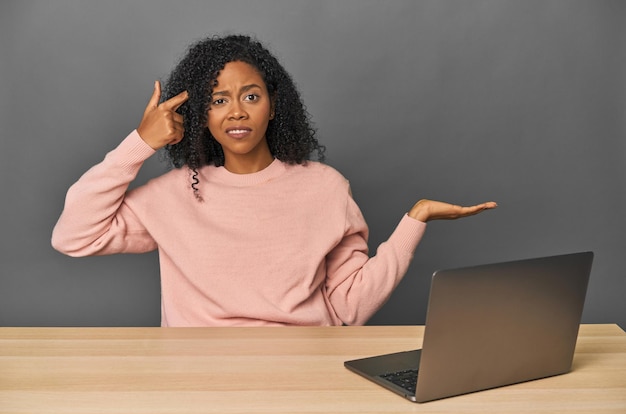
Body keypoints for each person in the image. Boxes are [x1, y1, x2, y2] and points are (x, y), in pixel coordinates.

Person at [51, 34, 496, 327]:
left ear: (273, 103)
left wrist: (413, 223)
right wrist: (139, 144)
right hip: (197, 380)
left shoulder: (325, 188)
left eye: (250, 96)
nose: (237, 111)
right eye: (218, 100)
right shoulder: (172, 194)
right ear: (200, 114)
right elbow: (73, 235)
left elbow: (345, 310)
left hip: (303, 373)